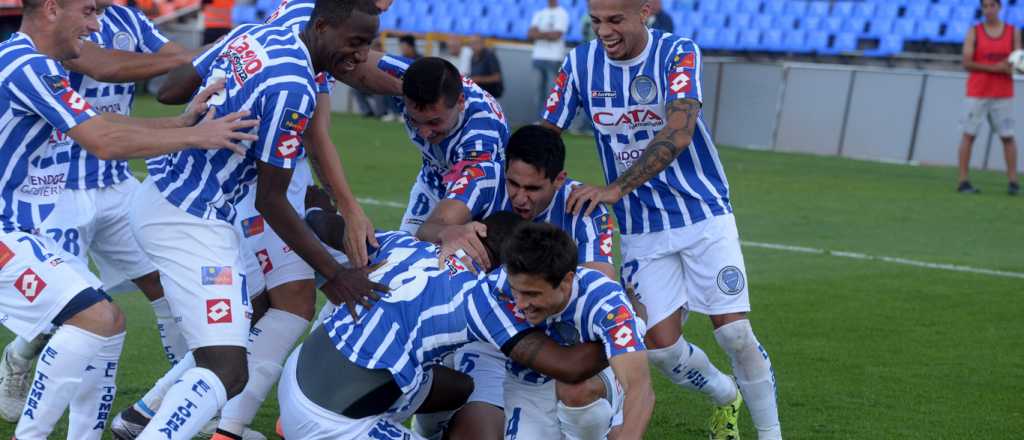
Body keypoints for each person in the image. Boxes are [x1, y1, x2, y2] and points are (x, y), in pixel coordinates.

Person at [113, 2, 389, 439]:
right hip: (190, 219)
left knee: (253, 317)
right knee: (227, 369)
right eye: (354, 43)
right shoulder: (294, 87)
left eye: (369, 45)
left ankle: (145, 416)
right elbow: (272, 199)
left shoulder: (256, 34)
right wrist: (335, 274)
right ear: (320, 27)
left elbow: (171, 89)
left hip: (167, 194)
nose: (359, 56)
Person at [0, 0, 257, 437]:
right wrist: (197, 136)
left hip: (28, 220)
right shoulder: (25, 65)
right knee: (94, 318)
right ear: (50, 10)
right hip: (14, 223)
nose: (94, 24)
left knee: (106, 321)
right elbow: (103, 139)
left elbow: (99, 121)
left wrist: (179, 123)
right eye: (86, 13)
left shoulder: (36, 63)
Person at [543, 0, 782, 439]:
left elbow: (679, 129)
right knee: (660, 349)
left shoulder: (678, 53)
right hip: (640, 228)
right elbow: (545, 135)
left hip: (702, 212)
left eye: (615, 20)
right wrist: (529, 182)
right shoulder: (579, 63)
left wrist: (615, 188)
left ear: (646, 10)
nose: (604, 32)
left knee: (735, 335)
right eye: (596, 21)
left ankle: (771, 434)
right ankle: (724, 395)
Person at [279, 204, 612, 440]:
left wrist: (316, 204)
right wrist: (623, 328)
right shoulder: (482, 297)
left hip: (300, 370)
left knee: (460, 387)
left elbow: (325, 224)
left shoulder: (403, 243)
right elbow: (568, 366)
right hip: (329, 423)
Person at [414, 125, 616, 439]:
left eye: (533, 188)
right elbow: (429, 229)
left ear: (559, 180)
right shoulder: (485, 177)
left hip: (563, 337)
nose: (520, 197)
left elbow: (599, 287)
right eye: (513, 183)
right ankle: (432, 426)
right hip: (492, 338)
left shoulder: (582, 208)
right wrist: (448, 232)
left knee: (580, 395)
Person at [494, 223, 654, 440]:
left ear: (566, 282)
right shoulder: (495, 286)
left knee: (575, 390)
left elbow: (639, 387)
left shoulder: (603, 300)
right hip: (526, 386)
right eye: (516, 291)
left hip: (592, 378)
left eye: (532, 294)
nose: (521, 304)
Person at [376, 56, 509, 236]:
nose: (424, 133)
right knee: (408, 248)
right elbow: (357, 61)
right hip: (432, 181)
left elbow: (448, 215)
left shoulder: (480, 141)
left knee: (432, 252)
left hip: (474, 199)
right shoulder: (410, 77)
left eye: (434, 122)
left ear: (460, 102)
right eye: (414, 120)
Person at [959, 0, 1020, 195]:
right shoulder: (974, 32)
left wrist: (1010, 66)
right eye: (985, 6)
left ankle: (1013, 182)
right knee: (969, 135)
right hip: (977, 91)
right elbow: (967, 62)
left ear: (999, 7)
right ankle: (963, 181)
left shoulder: (1012, 32)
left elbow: (1018, 60)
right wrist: (995, 68)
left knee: (1008, 137)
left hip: (1003, 92)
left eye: (992, 5)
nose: (988, 10)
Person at [528, 0, 569, 106]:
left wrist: (538, 33)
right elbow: (530, 35)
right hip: (538, 57)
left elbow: (556, 36)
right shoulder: (539, 13)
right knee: (538, 92)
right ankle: (540, 119)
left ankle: (554, 120)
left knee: (555, 92)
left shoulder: (562, 13)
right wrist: (548, 34)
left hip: (554, 58)